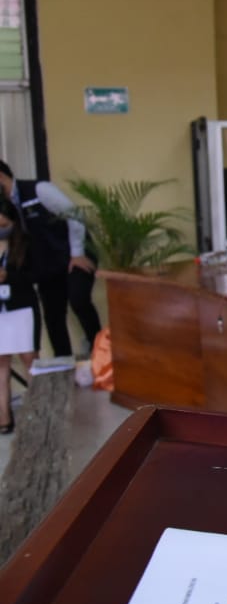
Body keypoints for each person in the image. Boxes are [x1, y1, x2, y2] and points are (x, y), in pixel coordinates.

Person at [0, 160, 100, 358]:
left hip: (75, 255)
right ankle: (63, 363)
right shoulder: (7, 205)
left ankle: (99, 348)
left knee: (78, 298)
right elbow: (11, 232)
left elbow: (74, 214)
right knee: (53, 316)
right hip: (48, 264)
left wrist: (77, 253)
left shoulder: (39, 189)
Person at [0, 196, 37, 433]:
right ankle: (4, 416)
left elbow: (35, 275)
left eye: (3, 224)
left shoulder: (25, 243)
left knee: (29, 360)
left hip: (22, 309)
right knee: (1, 365)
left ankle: (37, 414)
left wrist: (8, 277)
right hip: (1, 312)